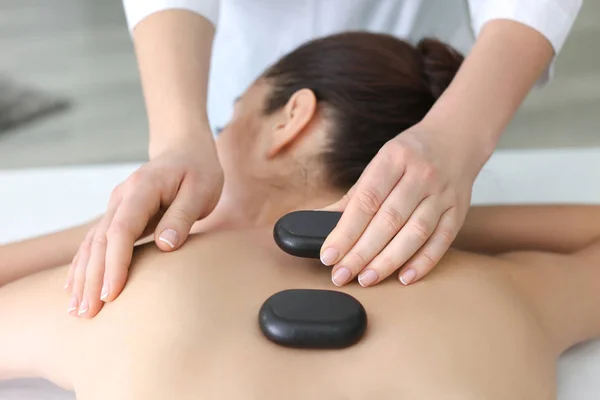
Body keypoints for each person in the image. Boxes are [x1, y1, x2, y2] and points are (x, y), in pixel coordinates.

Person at [1, 32, 600, 399]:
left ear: (292, 119)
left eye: (227, 118)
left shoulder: (119, 288)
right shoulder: (501, 296)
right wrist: (422, 230)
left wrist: (122, 233)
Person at [58, 0, 583, 319]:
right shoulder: (482, 291)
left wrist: (461, 132)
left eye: (229, 115)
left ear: (292, 118)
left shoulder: (141, 273)